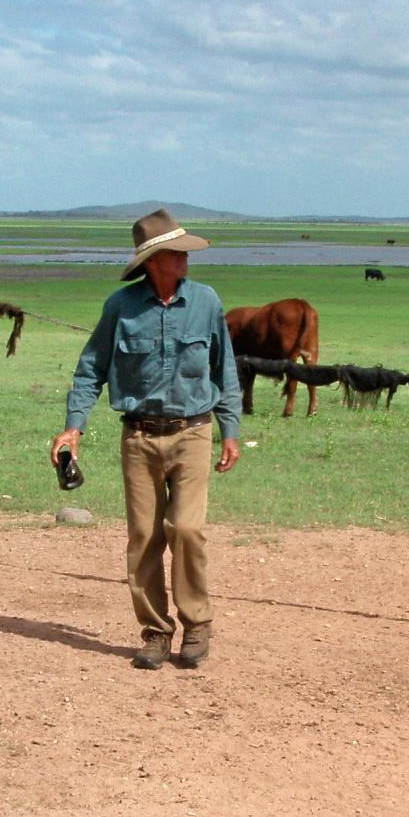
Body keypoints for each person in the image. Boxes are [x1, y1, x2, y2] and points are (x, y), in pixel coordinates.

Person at [52, 209, 243, 669]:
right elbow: (90, 370)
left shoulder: (207, 302)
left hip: (192, 432)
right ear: (154, 261)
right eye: (177, 253)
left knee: (186, 529)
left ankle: (197, 623)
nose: (185, 260)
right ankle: (156, 631)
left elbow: (226, 370)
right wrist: (73, 427)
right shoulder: (121, 308)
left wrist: (230, 429)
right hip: (138, 437)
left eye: (184, 253)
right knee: (143, 537)